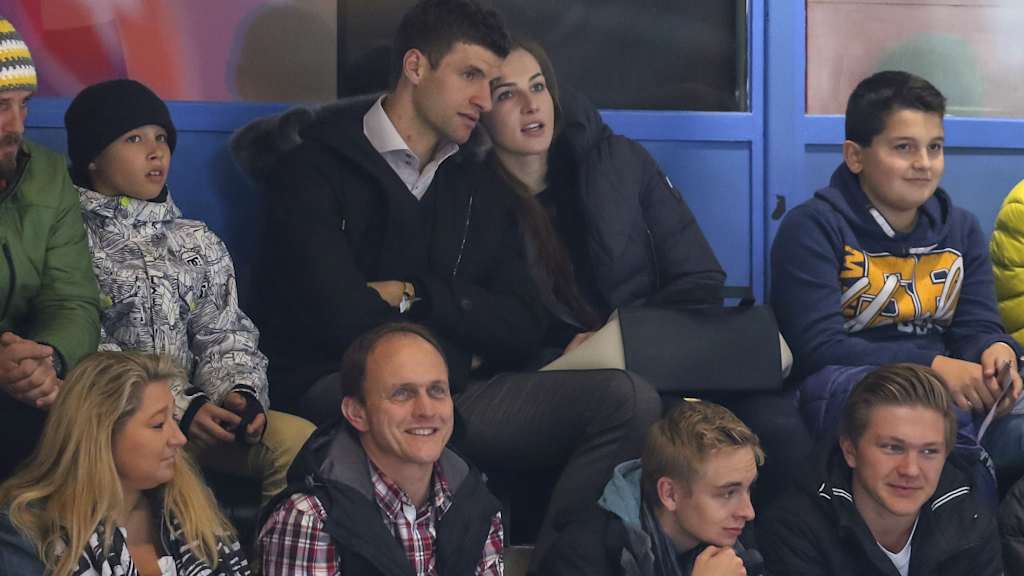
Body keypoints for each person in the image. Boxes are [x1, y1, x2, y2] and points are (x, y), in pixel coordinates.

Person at [237, 0, 661, 561]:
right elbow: (340, 321)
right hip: (341, 385)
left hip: (458, 389)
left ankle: (560, 567)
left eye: (490, 82)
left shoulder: (476, 181)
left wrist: (418, 296)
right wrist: (461, 339)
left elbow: (522, 322)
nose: (485, 100)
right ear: (416, 66)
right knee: (418, 412)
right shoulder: (311, 168)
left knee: (627, 399)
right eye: (471, 76)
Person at [476, 37, 804, 506]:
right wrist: (565, 352)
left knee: (777, 426)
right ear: (480, 111)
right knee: (666, 429)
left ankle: (763, 547)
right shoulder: (472, 197)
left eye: (539, 86)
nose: (531, 105)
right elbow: (491, 322)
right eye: (507, 94)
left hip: (657, 354)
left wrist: (626, 334)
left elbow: (700, 279)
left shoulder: (619, 164)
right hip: (558, 376)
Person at [63, 78, 314, 505]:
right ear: (93, 158)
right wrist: (180, 408)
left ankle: (276, 543)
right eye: (134, 138)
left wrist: (238, 395)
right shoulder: (69, 237)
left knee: (297, 440)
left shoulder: (196, 239)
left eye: (161, 138)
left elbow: (225, 334)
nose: (155, 151)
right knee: (161, 458)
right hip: (119, 425)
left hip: (200, 419)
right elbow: (88, 348)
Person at [770, 71, 1021, 480]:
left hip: (948, 387)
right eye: (904, 147)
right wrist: (935, 367)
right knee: (928, 410)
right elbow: (818, 349)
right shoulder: (813, 228)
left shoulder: (961, 228)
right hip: (848, 386)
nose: (923, 163)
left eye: (934, 147)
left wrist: (996, 353)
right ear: (855, 156)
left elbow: (977, 327)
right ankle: (967, 509)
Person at [258, 323, 502, 575]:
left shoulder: (475, 501)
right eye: (402, 393)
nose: (426, 410)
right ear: (356, 413)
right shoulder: (310, 517)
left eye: (437, 391)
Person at [0, 352, 252, 575]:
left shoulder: (192, 504)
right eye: (158, 424)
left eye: (173, 418)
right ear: (100, 434)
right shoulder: (30, 530)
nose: (179, 438)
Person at [759, 364, 1003, 575]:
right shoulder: (796, 529)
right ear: (850, 450)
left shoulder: (971, 519)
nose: (910, 470)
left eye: (929, 451)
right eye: (892, 448)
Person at [0, 15, 101, 479]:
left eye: (24, 104)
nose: (17, 125)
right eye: (2, 106)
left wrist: (47, 358)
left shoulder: (46, 173)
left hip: (21, 380)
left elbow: (71, 299)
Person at [540, 400, 766, 576]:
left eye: (748, 489)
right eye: (728, 493)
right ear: (670, 494)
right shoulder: (582, 556)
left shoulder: (734, 547)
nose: (748, 512)